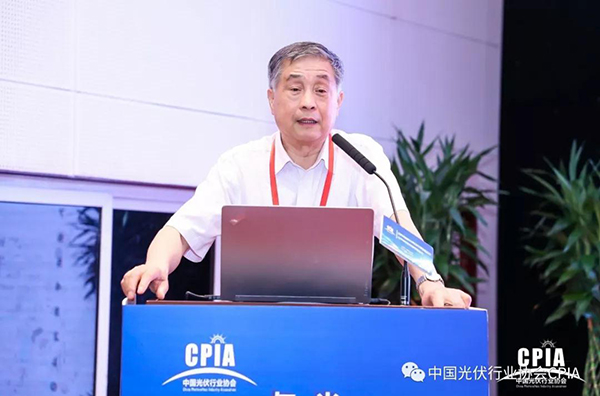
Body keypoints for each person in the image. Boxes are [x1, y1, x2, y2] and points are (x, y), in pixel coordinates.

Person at [121, 41, 472, 308]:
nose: (308, 102)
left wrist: (430, 283)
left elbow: (398, 227)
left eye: (321, 90)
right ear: (272, 99)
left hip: (342, 328)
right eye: (294, 89)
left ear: (338, 101)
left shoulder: (361, 158)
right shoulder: (240, 164)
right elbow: (182, 229)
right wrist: (156, 264)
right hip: (254, 327)